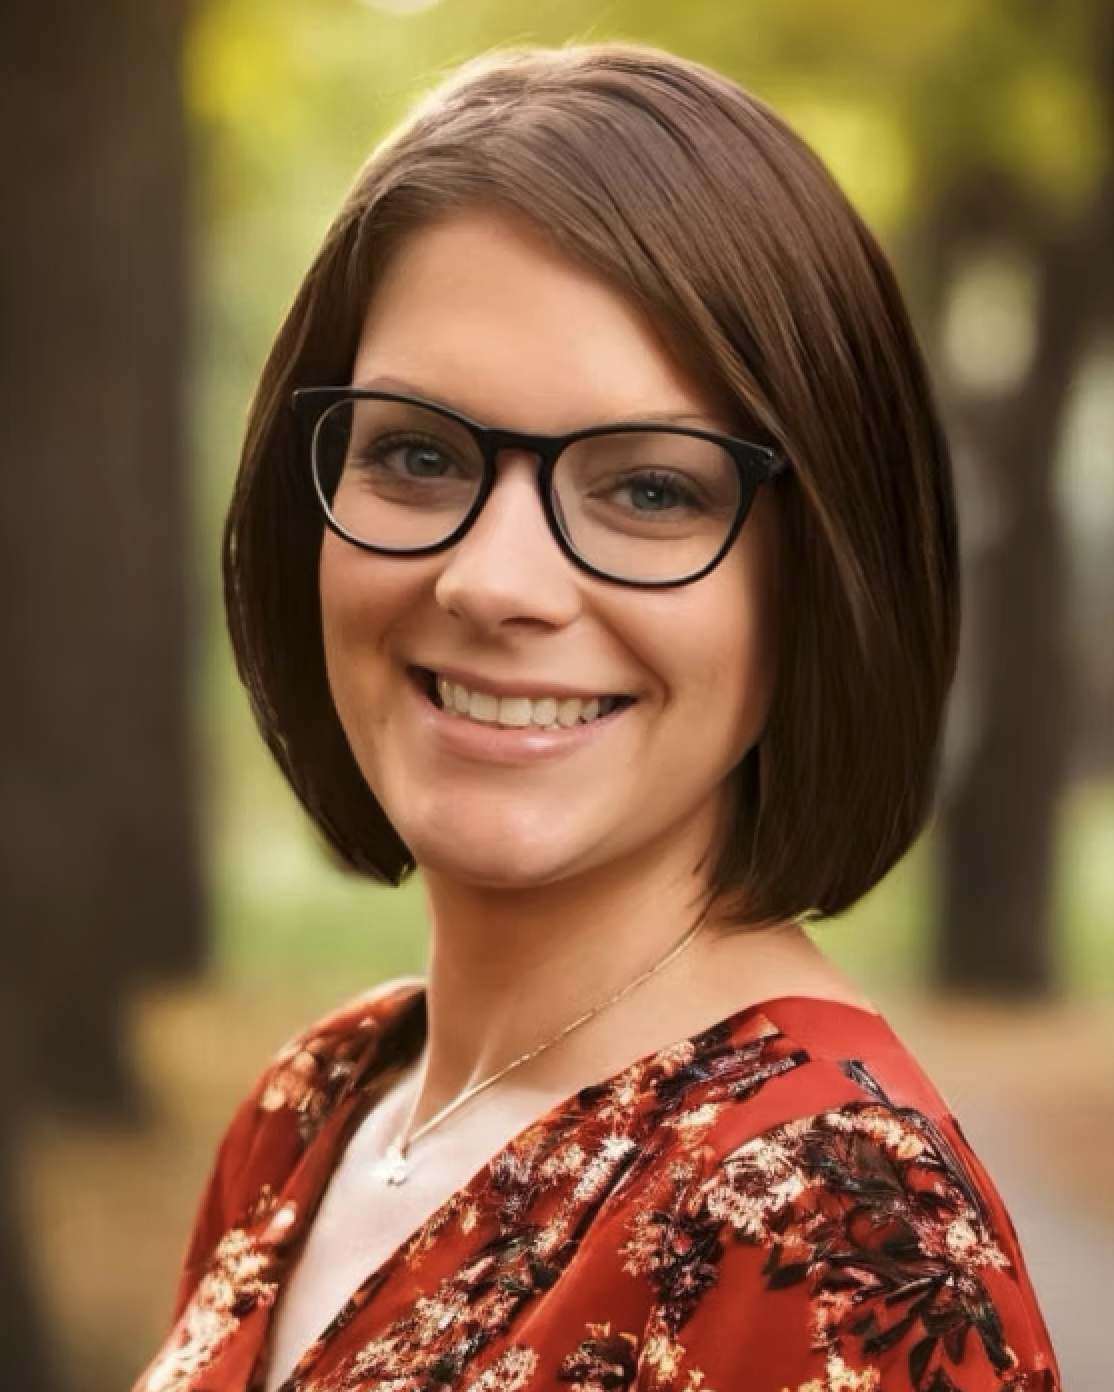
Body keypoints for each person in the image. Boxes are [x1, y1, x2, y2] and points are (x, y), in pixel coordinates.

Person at [135, 43, 1061, 1392]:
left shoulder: (832, 1233)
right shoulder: (318, 1102)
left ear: (818, 571)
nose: (491, 581)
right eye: (417, 454)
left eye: (648, 492)